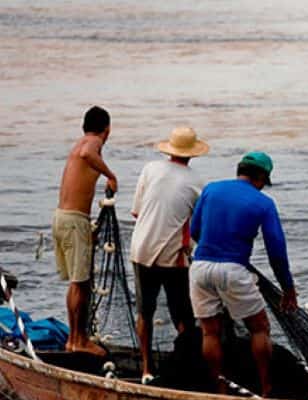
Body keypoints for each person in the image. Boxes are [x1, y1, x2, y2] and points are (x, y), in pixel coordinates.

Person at [188, 152, 297, 396]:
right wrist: (287, 288)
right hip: (233, 269)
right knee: (259, 328)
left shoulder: (211, 189)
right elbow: (276, 251)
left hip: (200, 266)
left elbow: (195, 230)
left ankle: (220, 390)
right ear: (260, 176)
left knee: (210, 332)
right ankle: (266, 389)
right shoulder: (263, 203)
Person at [130, 126, 208, 383]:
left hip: (141, 249)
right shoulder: (197, 182)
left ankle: (145, 368)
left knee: (145, 312)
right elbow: (197, 226)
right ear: (192, 154)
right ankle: (185, 366)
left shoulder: (150, 169)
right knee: (183, 316)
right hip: (173, 256)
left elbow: (137, 212)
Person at [53, 106, 117, 356]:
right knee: (81, 283)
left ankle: (73, 339)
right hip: (73, 221)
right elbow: (88, 153)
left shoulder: (79, 142)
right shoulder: (92, 143)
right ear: (107, 129)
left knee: (77, 283)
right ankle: (79, 340)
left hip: (62, 218)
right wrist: (110, 175)